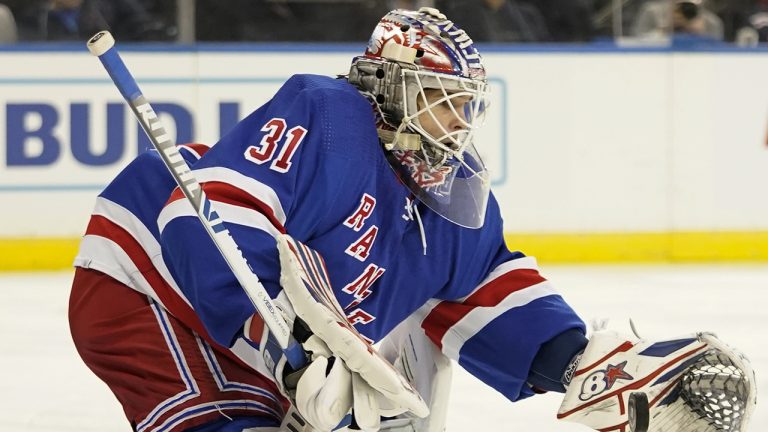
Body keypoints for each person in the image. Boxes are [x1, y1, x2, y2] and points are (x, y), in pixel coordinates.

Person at [69, 7, 755, 432]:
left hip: (259, 339)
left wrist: (575, 363)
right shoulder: (329, 118)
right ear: (391, 85)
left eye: (466, 106)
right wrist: (283, 343)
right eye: (442, 99)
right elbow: (215, 212)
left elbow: (481, 288)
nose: (458, 122)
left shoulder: (449, 189)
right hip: (148, 280)